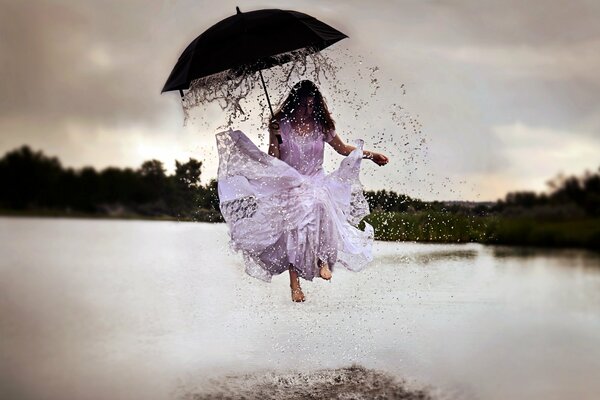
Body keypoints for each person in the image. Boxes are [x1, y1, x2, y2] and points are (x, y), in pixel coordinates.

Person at [215, 80, 388, 302]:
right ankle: (294, 284)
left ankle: (322, 260)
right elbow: (273, 159)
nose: (308, 109)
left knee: (317, 204)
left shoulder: (322, 126)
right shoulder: (280, 123)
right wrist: (275, 137)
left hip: (316, 179)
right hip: (290, 182)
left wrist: (372, 155)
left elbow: (343, 149)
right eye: (304, 105)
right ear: (295, 103)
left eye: (312, 105)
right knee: (294, 225)